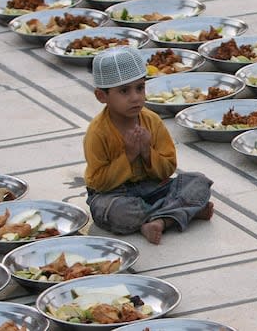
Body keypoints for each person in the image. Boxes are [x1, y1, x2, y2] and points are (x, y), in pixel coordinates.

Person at [83, 47, 214, 245]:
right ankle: (177, 214)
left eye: (140, 88)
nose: (135, 97)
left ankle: (160, 219)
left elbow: (168, 168)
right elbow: (98, 183)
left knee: (198, 182)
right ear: (102, 96)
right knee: (116, 212)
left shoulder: (152, 121)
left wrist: (146, 153)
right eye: (124, 91)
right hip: (114, 195)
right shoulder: (98, 131)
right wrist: (128, 156)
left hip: (152, 188)